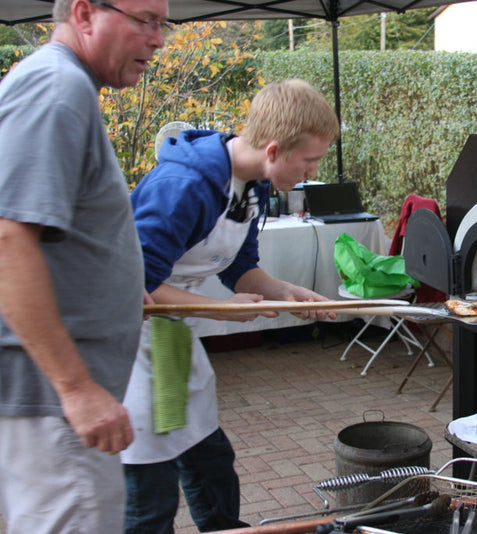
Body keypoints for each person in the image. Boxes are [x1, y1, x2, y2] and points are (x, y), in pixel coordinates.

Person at [122, 79, 341, 533]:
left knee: (211, 462)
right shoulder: (184, 186)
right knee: (151, 491)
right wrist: (218, 310)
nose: (312, 170)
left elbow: (239, 267)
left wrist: (285, 290)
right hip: (122, 339)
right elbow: (133, 282)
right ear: (275, 149)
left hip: (169, 333)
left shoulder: (254, 183)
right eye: (310, 160)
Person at [0, 0, 168, 532]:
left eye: (163, 23)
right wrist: (75, 388)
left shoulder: (60, 84)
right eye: (145, 20)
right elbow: (8, 239)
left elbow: (55, 237)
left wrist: (113, 288)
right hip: (53, 402)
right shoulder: (57, 88)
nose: (158, 40)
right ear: (84, 13)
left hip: (50, 398)